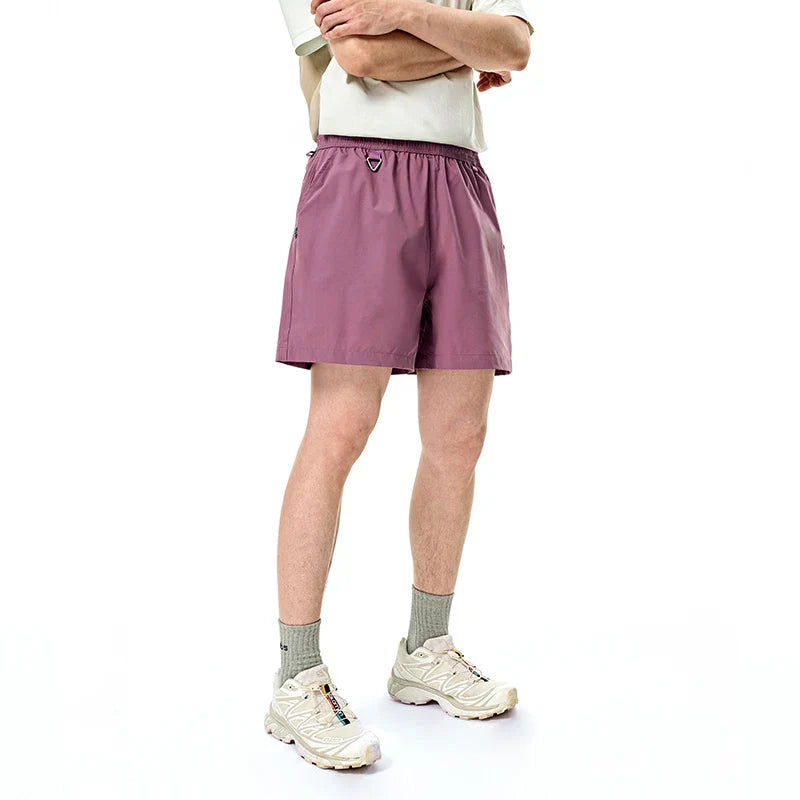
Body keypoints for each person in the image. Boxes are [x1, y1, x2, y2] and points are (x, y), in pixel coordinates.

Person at [265, 0, 533, 770]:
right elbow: (362, 59)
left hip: (459, 179)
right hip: (361, 173)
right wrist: (464, 47)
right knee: (341, 426)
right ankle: (295, 677)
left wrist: (398, 14)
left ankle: (425, 648)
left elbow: (514, 44)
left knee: (460, 434)